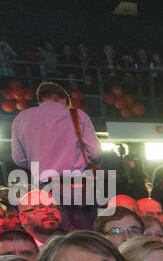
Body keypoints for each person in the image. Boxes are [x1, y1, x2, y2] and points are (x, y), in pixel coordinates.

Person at [11, 82, 102, 229]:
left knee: (57, 237)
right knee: (88, 237)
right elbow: (95, 151)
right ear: (64, 99)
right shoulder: (78, 115)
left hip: (47, 188)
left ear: (40, 99)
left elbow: (19, 159)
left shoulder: (21, 118)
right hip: (81, 186)